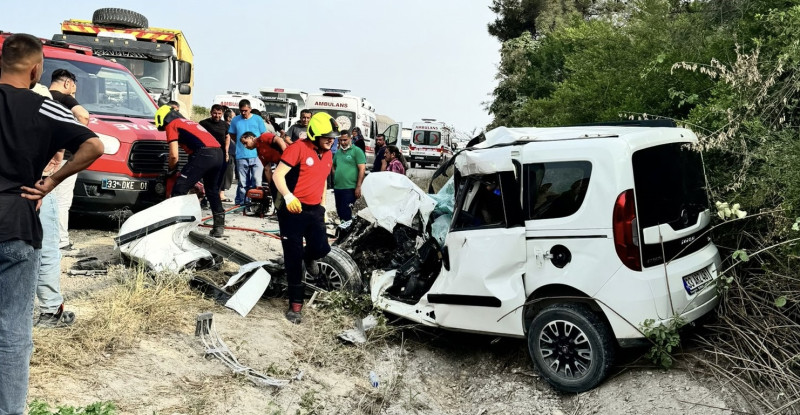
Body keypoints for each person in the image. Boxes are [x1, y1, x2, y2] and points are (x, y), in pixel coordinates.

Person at [0, 32, 104, 415]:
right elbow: (94, 145)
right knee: (11, 331)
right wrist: (51, 181)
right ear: (35, 70)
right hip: (16, 223)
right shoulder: (44, 108)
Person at [273, 112, 337, 324]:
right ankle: (295, 305)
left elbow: (324, 180)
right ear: (314, 134)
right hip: (292, 210)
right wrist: (288, 196)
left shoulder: (328, 154)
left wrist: (324, 205)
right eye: (327, 135)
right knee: (292, 257)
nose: (331, 139)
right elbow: (277, 175)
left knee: (321, 248)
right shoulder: (297, 148)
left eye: (333, 136)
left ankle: (307, 255)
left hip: (314, 209)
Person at [154, 105, 226, 237]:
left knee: (179, 188)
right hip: (218, 153)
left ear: (162, 119)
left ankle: (175, 225)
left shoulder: (172, 125)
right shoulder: (188, 122)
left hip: (204, 154)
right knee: (212, 191)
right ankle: (219, 227)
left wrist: (171, 170)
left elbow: (174, 155)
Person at [48, 69, 90, 253]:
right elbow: (84, 116)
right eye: (74, 86)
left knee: (44, 197)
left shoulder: (41, 96)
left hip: (42, 156)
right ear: (67, 84)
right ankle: (61, 242)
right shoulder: (64, 98)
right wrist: (75, 135)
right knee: (62, 200)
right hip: (62, 158)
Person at [227, 99, 267, 205]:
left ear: (250, 109)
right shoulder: (236, 120)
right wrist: (240, 144)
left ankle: (255, 203)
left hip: (257, 155)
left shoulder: (258, 119)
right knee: (243, 182)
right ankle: (240, 202)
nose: (244, 113)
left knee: (257, 181)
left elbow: (264, 134)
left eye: (245, 110)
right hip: (241, 155)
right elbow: (232, 134)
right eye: (241, 111)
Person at [332, 130, 366, 222]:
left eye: (345, 140)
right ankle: (342, 233)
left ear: (350, 138)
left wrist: (358, 186)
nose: (343, 142)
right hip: (338, 187)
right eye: (340, 140)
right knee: (340, 212)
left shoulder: (357, 151)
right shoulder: (338, 152)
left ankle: (346, 233)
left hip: (350, 188)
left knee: (346, 212)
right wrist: (336, 177)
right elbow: (333, 166)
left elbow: (362, 169)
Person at [199, 104, 231, 202]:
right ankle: (203, 195)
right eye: (214, 113)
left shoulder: (225, 125)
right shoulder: (203, 123)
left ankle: (215, 196)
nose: (217, 115)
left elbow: (227, 137)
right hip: (207, 153)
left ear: (222, 114)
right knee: (206, 176)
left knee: (219, 176)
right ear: (211, 113)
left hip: (221, 154)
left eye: (219, 114)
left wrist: (226, 152)